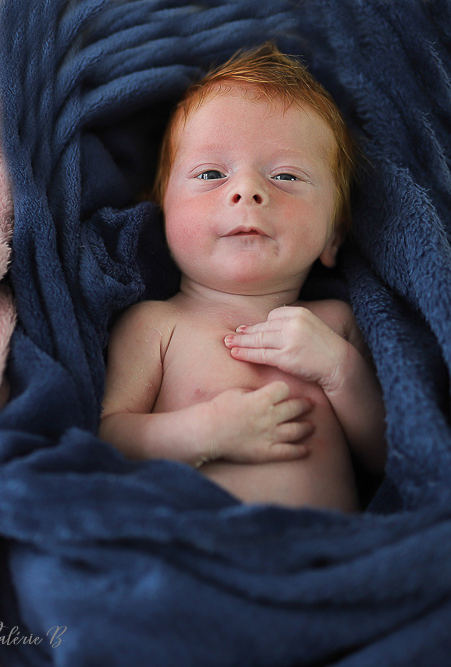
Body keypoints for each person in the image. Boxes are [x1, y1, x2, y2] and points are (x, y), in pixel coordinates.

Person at [98, 44, 386, 511]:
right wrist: (206, 430)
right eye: (211, 173)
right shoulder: (156, 325)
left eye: (287, 177)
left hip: (324, 561)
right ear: (162, 214)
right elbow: (109, 435)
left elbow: (388, 453)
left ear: (334, 235)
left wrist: (339, 369)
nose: (247, 190)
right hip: (198, 551)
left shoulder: (335, 325)